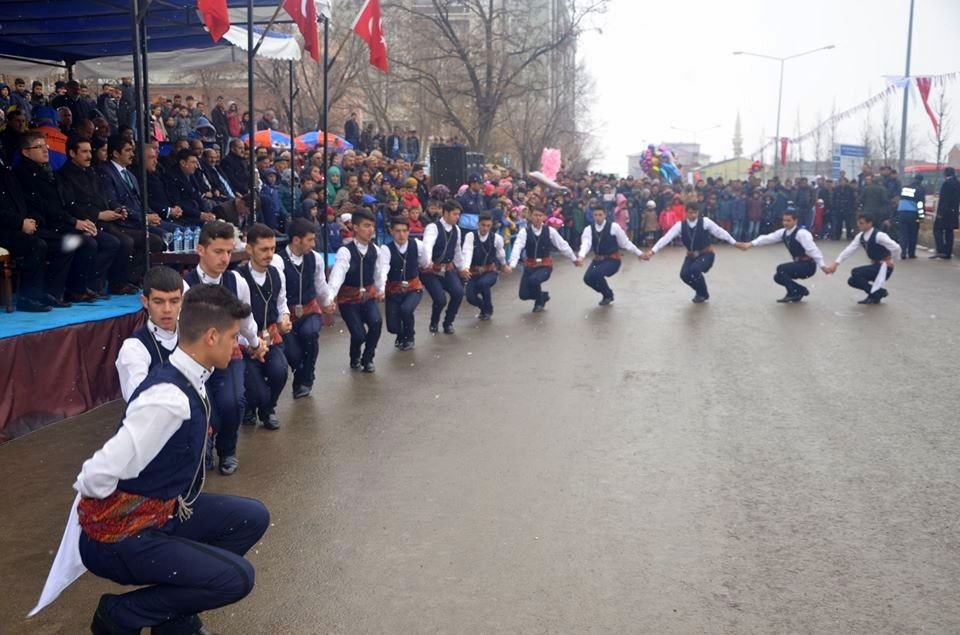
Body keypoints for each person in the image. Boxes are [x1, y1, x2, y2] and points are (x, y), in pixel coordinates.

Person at [71, 284, 270, 635]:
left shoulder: (193, 377)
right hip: (119, 537)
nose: (236, 344)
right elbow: (94, 474)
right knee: (238, 578)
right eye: (233, 336)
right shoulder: (168, 399)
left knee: (251, 517)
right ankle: (121, 614)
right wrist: (119, 515)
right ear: (211, 336)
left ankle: (171, 619)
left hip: (161, 511)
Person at [182, 221, 267, 475]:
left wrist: (255, 344)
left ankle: (227, 450)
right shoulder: (186, 285)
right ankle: (203, 446)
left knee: (233, 401)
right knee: (202, 405)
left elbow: (246, 321)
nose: (225, 258)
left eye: (229, 251)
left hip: (229, 354)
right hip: (197, 359)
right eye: (218, 251)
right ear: (200, 250)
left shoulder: (236, 281)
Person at [237, 224, 291, 430]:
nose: (269, 254)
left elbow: (281, 303)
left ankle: (268, 410)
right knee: (257, 390)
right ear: (249, 249)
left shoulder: (277, 274)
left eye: (272, 249)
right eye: (263, 249)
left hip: (270, 336)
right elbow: (235, 319)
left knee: (280, 371)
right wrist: (249, 342)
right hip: (243, 340)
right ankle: (252, 405)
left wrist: (284, 317)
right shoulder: (238, 277)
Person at [276, 218, 334, 398]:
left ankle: (306, 380)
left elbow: (321, 285)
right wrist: (283, 316)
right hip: (287, 313)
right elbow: (280, 293)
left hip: (309, 309)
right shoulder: (278, 260)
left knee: (310, 335)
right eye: (309, 240)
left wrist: (327, 303)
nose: (313, 244)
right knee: (294, 354)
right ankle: (301, 374)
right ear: (296, 240)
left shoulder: (315, 259)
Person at [641, 201, 740, 303]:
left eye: (695, 212)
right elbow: (666, 238)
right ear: (686, 213)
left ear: (698, 212)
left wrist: (735, 243)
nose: (693, 215)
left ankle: (703, 293)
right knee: (684, 275)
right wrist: (652, 251)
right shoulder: (680, 225)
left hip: (706, 254)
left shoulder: (705, 222)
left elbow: (720, 232)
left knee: (694, 269)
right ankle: (700, 292)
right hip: (691, 255)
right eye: (690, 212)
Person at [325, 209, 385, 372]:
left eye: (372, 226)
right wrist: (330, 297)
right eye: (366, 226)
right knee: (358, 334)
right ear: (356, 228)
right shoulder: (345, 251)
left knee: (376, 323)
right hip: (348, 300)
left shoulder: (376, 250)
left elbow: (378, 273)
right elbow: (337, 276)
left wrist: (381, 289)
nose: (370, 230)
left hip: (368, 296)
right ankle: (355, 356)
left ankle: (368, 359)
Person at [116, 266, 183, 402]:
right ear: (145, 302)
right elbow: (140, 401)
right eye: (158, 302)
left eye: (174, 301)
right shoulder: (133, 348)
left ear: (182, 300)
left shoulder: (194, 336)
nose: (167, 309)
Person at [739, 209, 826, 303]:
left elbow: (813, 250)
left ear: (795, 221)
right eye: (784, 220)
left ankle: (793, 293)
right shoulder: (783, 232)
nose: (785, 223)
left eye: (788, 221)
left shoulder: (802, 233)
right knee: (778, 277)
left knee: (781, 269)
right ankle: (800, 290)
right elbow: (768, 238)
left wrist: (823, 266)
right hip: (799, 264)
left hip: (808, 266)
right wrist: (750, 244)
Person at [507, 206, 580, 313]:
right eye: (535, 215)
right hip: (530, 265)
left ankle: (539, 303)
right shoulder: (524, 232)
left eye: (540, 215)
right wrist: (512, 265)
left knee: (534, 280)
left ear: (544, 217)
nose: (537, 218)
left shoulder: (550, 231)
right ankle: (542, 296)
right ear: (530, 216)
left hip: (545, 265)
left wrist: (574, 259)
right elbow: (517, 248)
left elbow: (562, 245)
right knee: (523, 295)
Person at [822, 213, 902, 304]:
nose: (859, 225)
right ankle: (878, 292)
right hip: (876, 265)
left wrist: (891, 260)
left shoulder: (879, 235)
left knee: (856, 272)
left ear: (870, 223)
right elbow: (849, 250)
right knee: (852, 281)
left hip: (885, 267)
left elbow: (896, 247)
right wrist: (836, 263)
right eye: (858, 223)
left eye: (861, 223)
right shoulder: (861, 236)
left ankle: (875, 295)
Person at [576, 202, 644, 306]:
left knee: (597, 274)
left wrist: (639, 253)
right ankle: (607, 293)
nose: (597, 217)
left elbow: (625, 243)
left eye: (600, 215)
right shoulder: (588, 229)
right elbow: (586, 243)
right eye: (595, 215)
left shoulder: (614, 227)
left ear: (605, 215)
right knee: (587, 279)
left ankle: (607, 295)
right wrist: (581, 256)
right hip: (598, 260)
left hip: (613, 260)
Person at [420, 199, 468, 334]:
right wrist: (427, 262)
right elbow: (427, 245)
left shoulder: (456, 230)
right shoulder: (433, 227)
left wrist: (462, 267)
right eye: (455, 214)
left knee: (458, 293)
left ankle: (448, 322)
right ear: (445, 213)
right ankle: (434, 321)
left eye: (459, 214)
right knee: (440, 299)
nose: (457, 217)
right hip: (431, 270)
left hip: (447, 269)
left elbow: (457, 250)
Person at [381, 215, 428, 351]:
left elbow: (424, 261)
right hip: (393, 290)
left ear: (409, 231)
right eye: (397, 231)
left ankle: (409, 336)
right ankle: (401, 334)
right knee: (392, 327)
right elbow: (383, 268)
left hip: (413, 287)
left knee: (406, 309)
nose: (401, 234)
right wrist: (381, 286)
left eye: (404, 231)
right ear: (391, 231)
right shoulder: (386, 249)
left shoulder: (417, 245)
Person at [461, 211, 509, 319]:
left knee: (483, 283)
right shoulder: (470, 236)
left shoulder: (496, 238)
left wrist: (504, 265)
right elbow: (467, 251)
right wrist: (466, 268)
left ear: (491, 225)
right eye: (483, 225)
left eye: (488, 226)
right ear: (478, 224)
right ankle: (484, 308)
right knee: (470, 297)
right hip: (473, 272)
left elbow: (500, 254)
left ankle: (488, 309)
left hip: (490, 271)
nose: (485, 228)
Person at [931, 166, 959, 260]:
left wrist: (940, 213)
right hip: (954, 212)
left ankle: (941, 250)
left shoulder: (947, 184)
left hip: (945, 213)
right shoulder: (957, 183)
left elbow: (944, 200)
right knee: (949, 232)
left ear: (945, 174)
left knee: (937, 229)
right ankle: (948, 253)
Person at [895, 175, 926, 259]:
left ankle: (903, 252)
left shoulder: (904, 188)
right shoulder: (920, 189)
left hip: (902, 212)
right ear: (921, 181)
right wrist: (921, 218)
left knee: (903, 233)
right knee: (913, 233)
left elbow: (900, 199)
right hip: (912, 213)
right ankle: (911, 253)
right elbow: (920, 204)